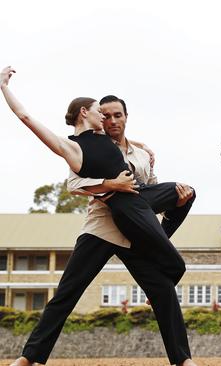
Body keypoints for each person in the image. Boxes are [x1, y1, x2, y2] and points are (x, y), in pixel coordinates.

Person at [1, 70, 196, 366]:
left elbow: (149, 187)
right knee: (67, 292)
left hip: (136, 229)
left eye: (117, 115)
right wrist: (111, 185)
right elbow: (74, 184)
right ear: (92, 116)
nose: (110, 120)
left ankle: (182, 360)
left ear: (126, 117)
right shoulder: (86, 145)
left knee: (163, 291)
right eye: (104, 115)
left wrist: (170, 188)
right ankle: (29, 357)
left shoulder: (141, 154)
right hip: (102, 228)